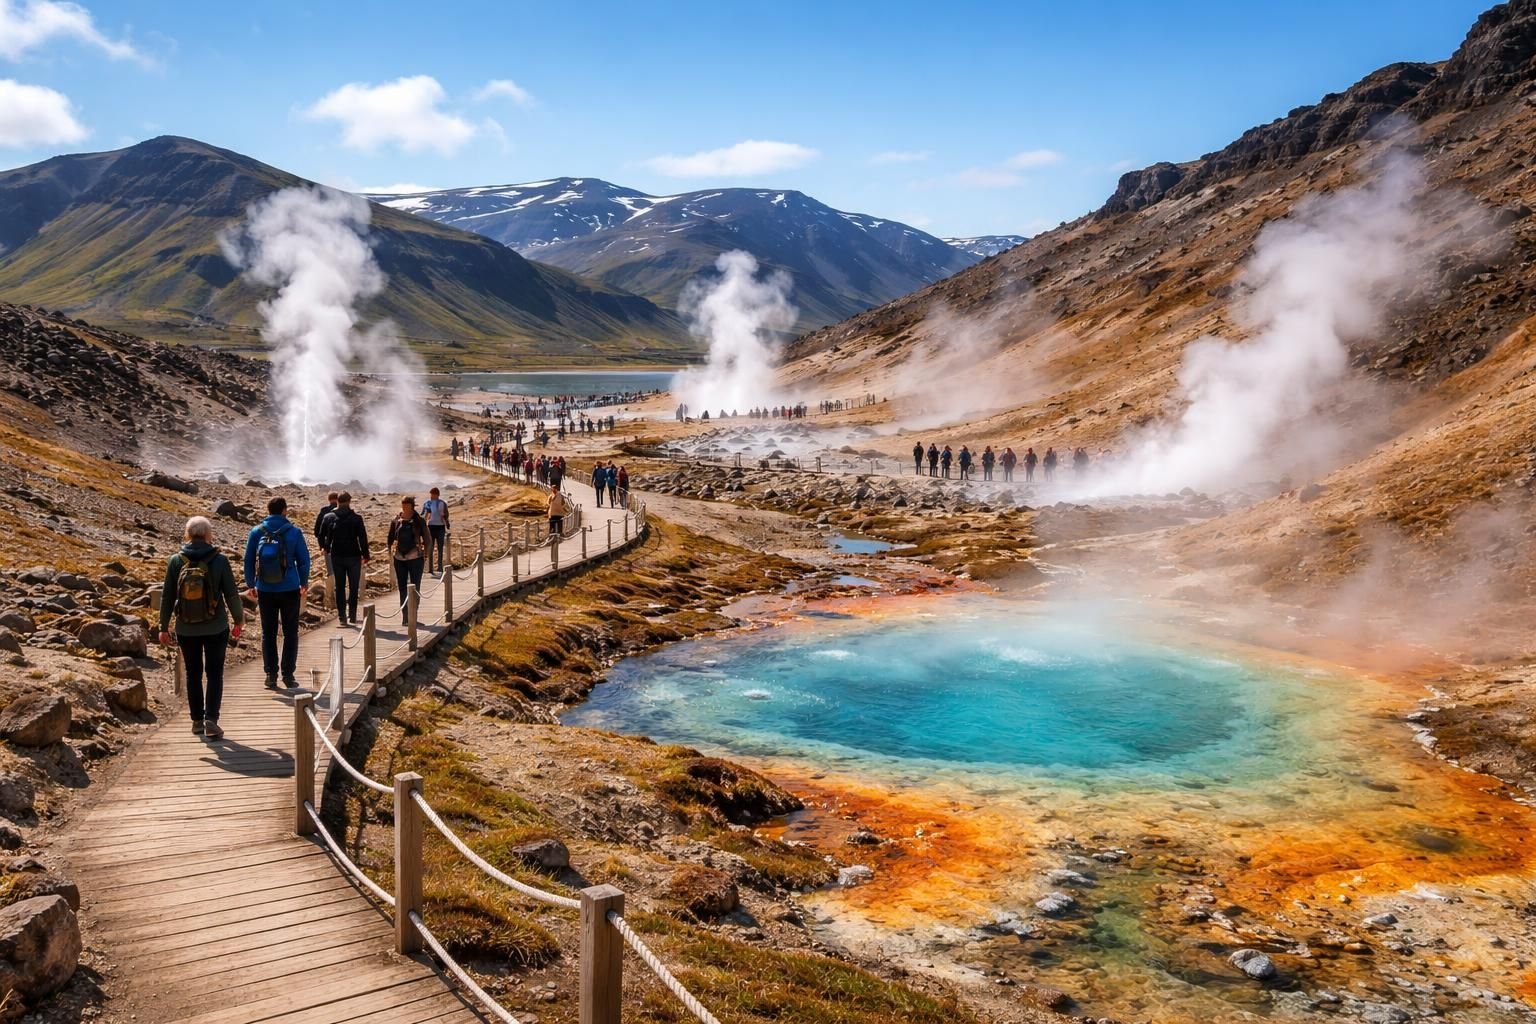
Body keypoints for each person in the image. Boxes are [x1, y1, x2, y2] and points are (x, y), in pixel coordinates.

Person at [159, 517, 243, 738]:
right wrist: (239, 620)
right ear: (208, 535)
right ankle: (211, 720)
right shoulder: (220, 560)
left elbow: (168, 596)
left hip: (186, 628)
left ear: (187, 535)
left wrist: (163, 627)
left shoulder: (176, 561)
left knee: (193, 673)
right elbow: (231, 593)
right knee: (215, 674)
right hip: (216, 626)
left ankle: (197, 720)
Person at [244, 497, 310, 690]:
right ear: (284, 511)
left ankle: (270, 674)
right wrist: (303, 582)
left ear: (268, 510)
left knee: (268, 632)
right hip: (289, 587)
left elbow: (248, 560)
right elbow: (304, 561)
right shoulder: (294, 532)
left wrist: (251, 583)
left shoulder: (256, 531)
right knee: (291, 632)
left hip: (265, 588)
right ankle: (288, 674)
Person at [326, 492, 370, 627]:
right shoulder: (356, 518)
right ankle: (352, 615)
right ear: (349, 501)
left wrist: (326, 548)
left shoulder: (329, 517)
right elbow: (362, 537)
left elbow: (323, 535)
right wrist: (366, 554)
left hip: (337, 556)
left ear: (337, 501)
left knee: (339, 587)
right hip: (353, 556)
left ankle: (342, 617)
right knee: (353, 586)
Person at [386, 497, 427, 626]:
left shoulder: (418, 520)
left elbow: (427, 537)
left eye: (406, 505)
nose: (404, 507)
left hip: (415, 557)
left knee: (415, 586)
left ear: (412, 506)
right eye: (403, 504)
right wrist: (389, 550)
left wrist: (427, 553)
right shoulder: (396, 520)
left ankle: (413, 616)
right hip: (399, 557)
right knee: (402, 588)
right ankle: (405, 617)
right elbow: (390, 536)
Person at [421, 487, 451, 576]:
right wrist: (423, 526)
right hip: (431, 526)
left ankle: (440, 567)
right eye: (431, 494)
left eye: (433, 494)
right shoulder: (428, 503)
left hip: (440, 527)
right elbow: (426, 514)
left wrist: (447, 523)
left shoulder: (442, 503)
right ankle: (430, 568)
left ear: (437, 495)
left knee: (440, 548)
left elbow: (445, 515)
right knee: (430, 548)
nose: (431, 496)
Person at [314, 491, 338, 597]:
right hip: (344, 545)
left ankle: (331, 594)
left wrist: (322, 545)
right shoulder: (343, 511)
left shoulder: (324, 511)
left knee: (330, 570)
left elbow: (317, 531)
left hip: (328, 545)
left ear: (329, 499)